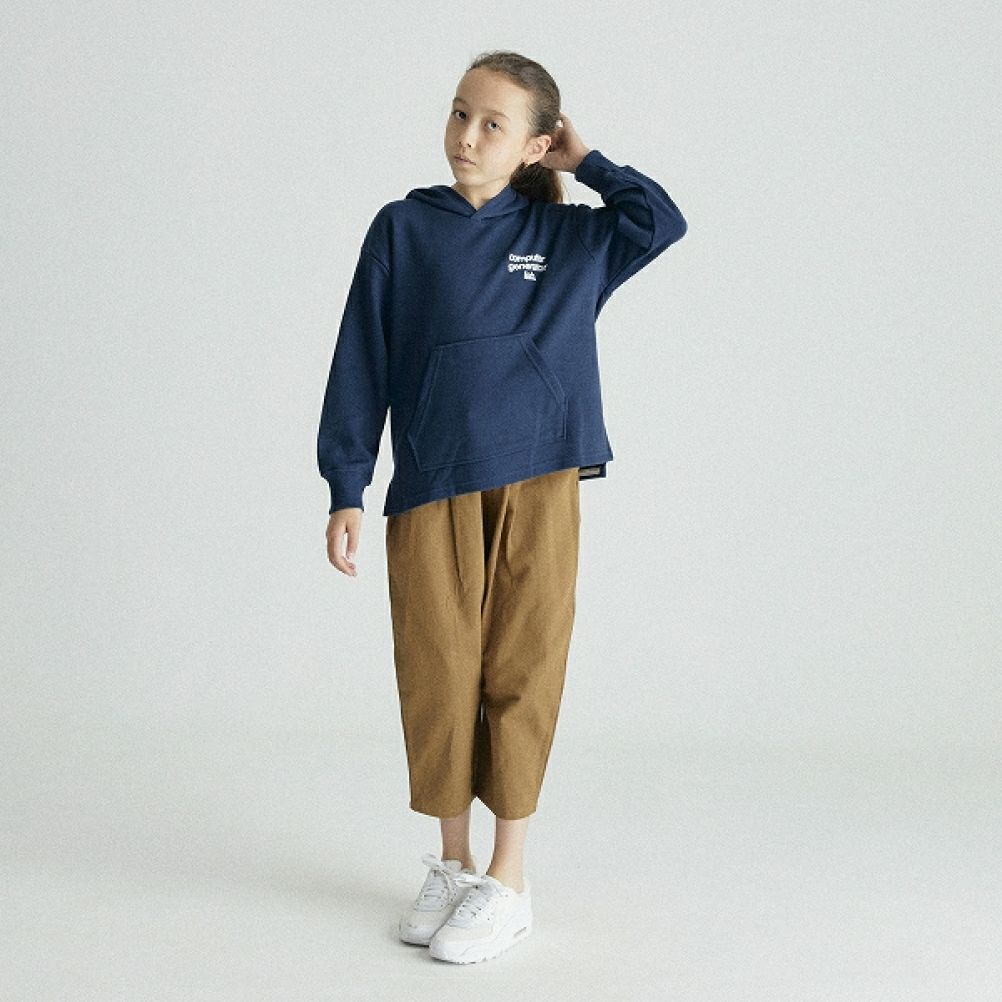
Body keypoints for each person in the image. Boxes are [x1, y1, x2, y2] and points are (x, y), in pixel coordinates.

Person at [317, 49, 687, 964]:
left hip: (540, 476)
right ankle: (452, 865)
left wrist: (586, 163)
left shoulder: (571, 238)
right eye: (459, 113)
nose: (466, 136)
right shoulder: (404, 228)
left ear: (534, 145)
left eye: (493, 124)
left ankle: (508, 878)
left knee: (523, 667)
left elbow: (661, 219)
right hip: (432, 481)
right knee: (437, 669)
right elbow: (361, 355)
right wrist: (346, 484)